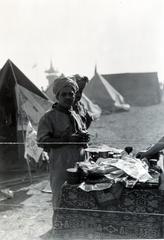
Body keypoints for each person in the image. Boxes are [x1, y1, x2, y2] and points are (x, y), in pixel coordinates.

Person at [37, 77, 90, 210]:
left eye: (71, 94)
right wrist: (68, 139)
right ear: (57, 96)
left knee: (81, 197)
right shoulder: (48, 117)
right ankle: (59, 228)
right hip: (61, 165)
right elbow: (42, 142)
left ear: (74, 95)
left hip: (81, 164)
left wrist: (84, 137)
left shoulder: (77, 114)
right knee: (61, 197)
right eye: (64, 94)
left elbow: (79, 134)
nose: (67, 97)